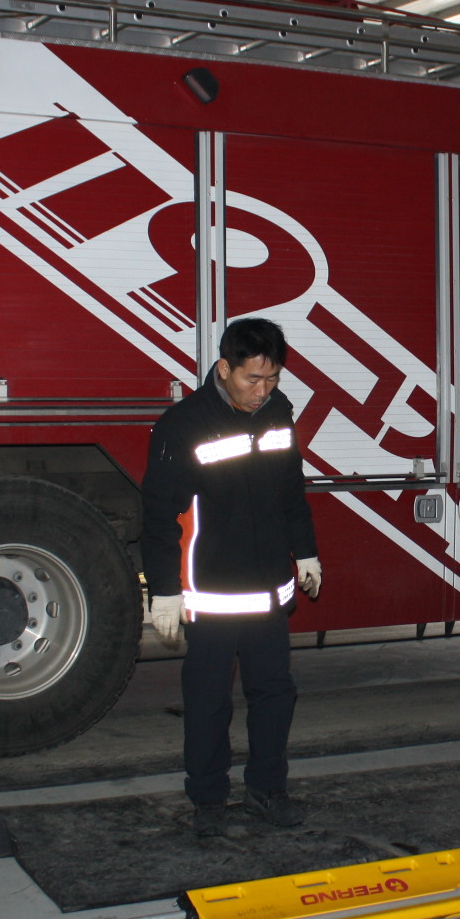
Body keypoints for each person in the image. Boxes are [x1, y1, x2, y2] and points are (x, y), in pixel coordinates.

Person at [141, 317, 321, 838]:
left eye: (272, 379)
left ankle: (268, 790)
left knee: (274, 694)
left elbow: (291, 490)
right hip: (213, 591)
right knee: (208, 700)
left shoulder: (278, 413)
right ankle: (208, 798)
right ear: (224, 368)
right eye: (252, 379)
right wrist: (165, 590)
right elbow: (158, 514)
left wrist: (306, 552)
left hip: (268, 589)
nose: (262, 391)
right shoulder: (183, 424)